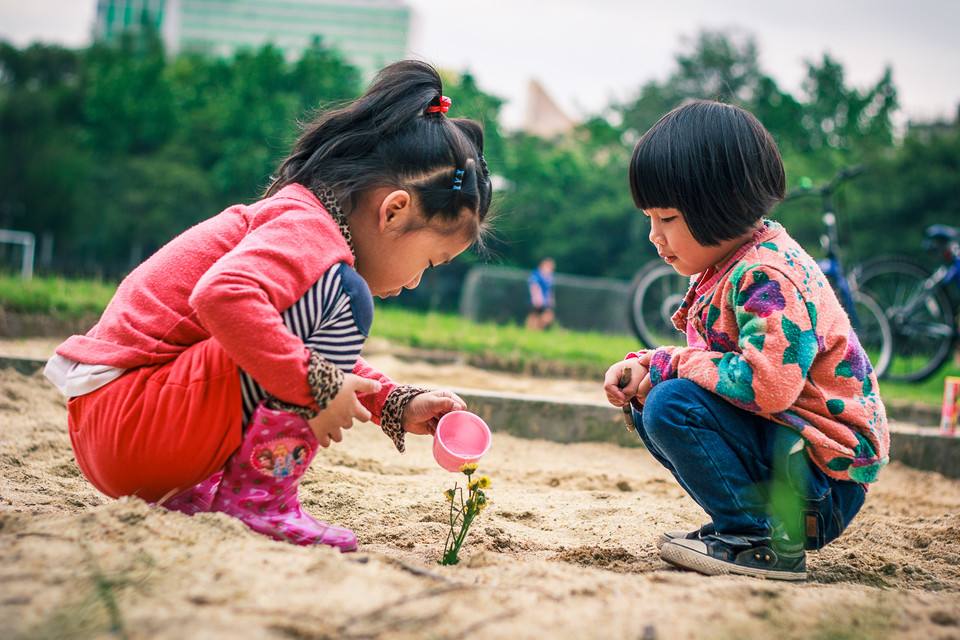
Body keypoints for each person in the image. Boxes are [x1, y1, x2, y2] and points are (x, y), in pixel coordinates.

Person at [43, 61, 493, 553]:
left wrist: (390, 401)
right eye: (429, 261)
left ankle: (210, 494)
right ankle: (260, 499)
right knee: (344, 294)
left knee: (319, 305)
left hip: (121, 424)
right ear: (394, 210)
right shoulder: (308, 227)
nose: (413, 282)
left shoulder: (304, 220)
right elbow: (222, 296)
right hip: (130, 422)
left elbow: (283, 336)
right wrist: (319, 385)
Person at [602, 100, 888, 581]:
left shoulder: (768, 278)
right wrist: (650, 365)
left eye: (667, 218)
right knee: (655, 396)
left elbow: (767, 386)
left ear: (722, 205)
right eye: (650, 218)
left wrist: (668, 366)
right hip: (795, 457)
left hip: (823, 480)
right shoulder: (735, 264)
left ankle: (760, 539)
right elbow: (716, 362)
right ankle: (742, 528)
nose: (655, 236)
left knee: (671, 404)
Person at [526, 257, 556, 330]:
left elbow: (549, 290)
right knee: (535, 315)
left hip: (545, 300)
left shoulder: (550, 276)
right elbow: (534, 286)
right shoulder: (536, 274)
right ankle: (532, 329)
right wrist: (537, 298)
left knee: (546, 316)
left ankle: (537, 328)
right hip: (537, 299)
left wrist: (551, 299)